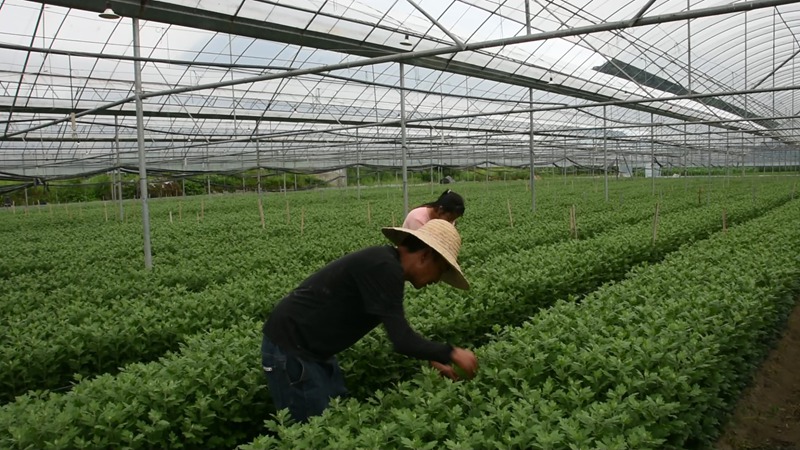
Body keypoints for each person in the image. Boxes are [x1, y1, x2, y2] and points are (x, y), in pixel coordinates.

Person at [261, 219, 478, 423]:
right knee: (311, 429)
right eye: (441, 271)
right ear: (425, 256)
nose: (437, 280)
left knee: (333, 418)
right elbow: (402, 340)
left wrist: (431, 357)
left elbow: (397, 328)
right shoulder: (384, 268)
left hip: (312, 349)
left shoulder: (386, 264)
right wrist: (451, 353)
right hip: (291, 348)